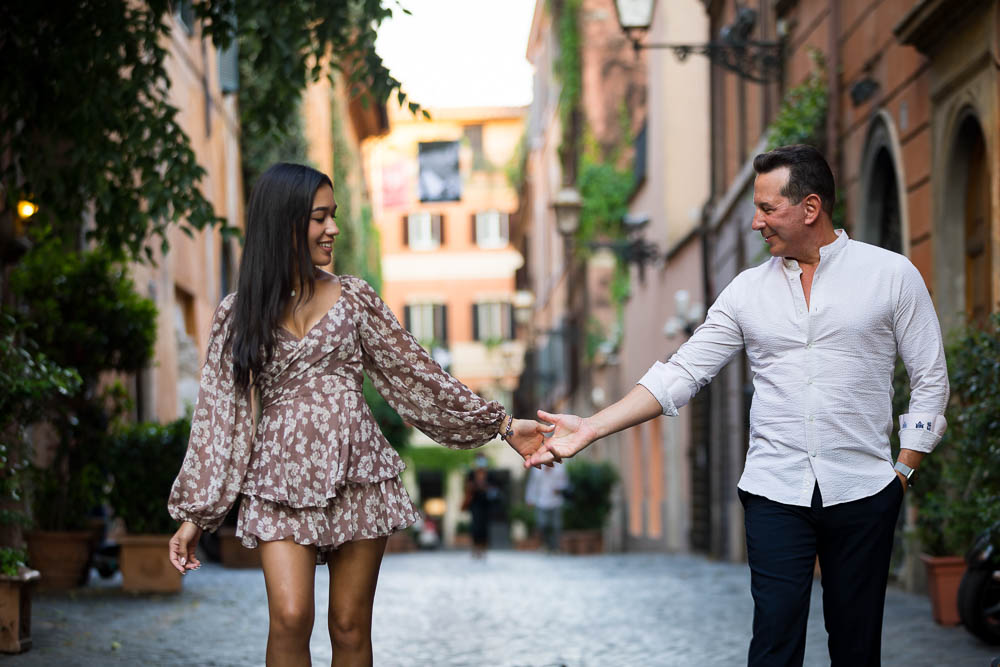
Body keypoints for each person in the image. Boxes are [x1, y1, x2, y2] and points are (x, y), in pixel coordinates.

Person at [527, 144, 949, 667]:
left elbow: (931, 378)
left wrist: (902, 473)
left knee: (857, 647)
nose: (756, 222)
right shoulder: (746, 292)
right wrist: (590, 427)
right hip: (774, 491)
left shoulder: (891, 275)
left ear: (810, 208)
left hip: (864, 489)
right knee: (773, 643)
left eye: (768, 209)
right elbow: (681, 373)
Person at [166, 163, 552, 667]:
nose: (334, 229)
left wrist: (500, 426)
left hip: (359, 473)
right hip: (279, 479)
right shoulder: (238, 314)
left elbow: (416, 376)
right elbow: (220, 415)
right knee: (289, 617)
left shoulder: (355, 298)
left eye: (334, 216)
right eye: (319, 218)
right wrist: (197, 513)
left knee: (348, 628)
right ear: (284, 225)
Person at [524, 462, 568, 552]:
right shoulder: (537, 468)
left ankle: (556, 547)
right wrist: (529, 498)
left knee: (556, 526)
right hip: (541, 501)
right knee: (542, 524)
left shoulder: (560, 467)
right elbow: (532, 484)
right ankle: (545, 545)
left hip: (556, 501)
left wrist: (559, 488)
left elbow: (565, 482)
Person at [462, 455, 496, 558]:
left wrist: (485, 487)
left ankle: (484, 548)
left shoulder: (489, 474)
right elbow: (467, 486)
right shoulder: (472, 474)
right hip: (475, 503)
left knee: (485, 527)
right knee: (475, 526)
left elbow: (494, 488)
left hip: (486, 503)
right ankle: (475, 548)